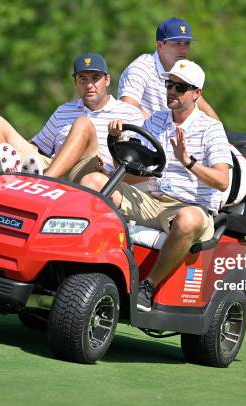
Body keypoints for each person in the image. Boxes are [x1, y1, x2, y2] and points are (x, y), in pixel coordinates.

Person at [82, 60, 232, 312]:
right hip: (153, 199)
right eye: (169, 85)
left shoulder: (211, 129)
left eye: (180, 88)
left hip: (191, 207)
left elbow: (222, 180)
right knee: (93, 182)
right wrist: (115, 139)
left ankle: (148, 286)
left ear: (196, 94)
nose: (172, 91)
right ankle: (86, 265)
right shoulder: (156, 121)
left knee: (188, 220)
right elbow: (131, 167)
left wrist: (189, 162)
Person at [0, 53, 144, 182]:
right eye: (83, 79)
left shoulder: (129, 113)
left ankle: (42, 182)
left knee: (83, 124)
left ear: (107, 80)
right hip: (54, 167)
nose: (89, 85)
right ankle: (12, 177)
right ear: (75, 82)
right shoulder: (64, 110)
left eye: (95, 78)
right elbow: (38, 146)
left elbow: (136, 168)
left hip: (91, 175)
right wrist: (24, 154)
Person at [118, 17, 219, 120]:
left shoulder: (182, 70)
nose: (183, 50)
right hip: (139, 135)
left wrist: (217, 133)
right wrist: (158, 127)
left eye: (187, 44)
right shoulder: (140, 68)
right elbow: (127, 107)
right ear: (160, 45)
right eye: (177, 44)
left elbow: (207, 111)